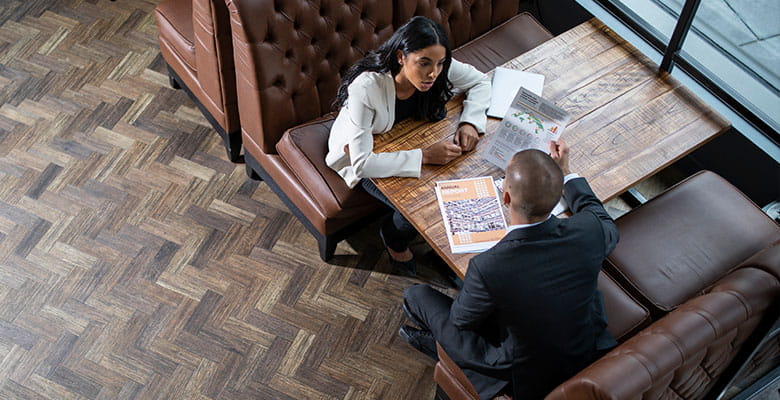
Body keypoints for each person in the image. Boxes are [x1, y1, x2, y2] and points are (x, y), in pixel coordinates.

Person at [401, 139, 619, 399]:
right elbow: (598, 214)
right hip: (584, 340)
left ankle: (442, 349)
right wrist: (567, 171)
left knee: (416, 296)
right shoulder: (589, 229)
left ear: (505, 196)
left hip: (523, 367)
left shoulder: (488, 266)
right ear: (559, 192)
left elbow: (461, 320)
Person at [326, 16, 490, 275]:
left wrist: (470, 122)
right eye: (424, 63)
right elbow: (362, 163)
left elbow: (481, 81)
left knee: (461, 185)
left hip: (408, 137)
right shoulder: (367, 87)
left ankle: (451, 256)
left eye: (440, 63)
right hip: (360, 156)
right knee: (419, 207)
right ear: (401, 57)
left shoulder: (437, 65)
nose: (433, 73)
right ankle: (393, 236)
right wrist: (424, 156)